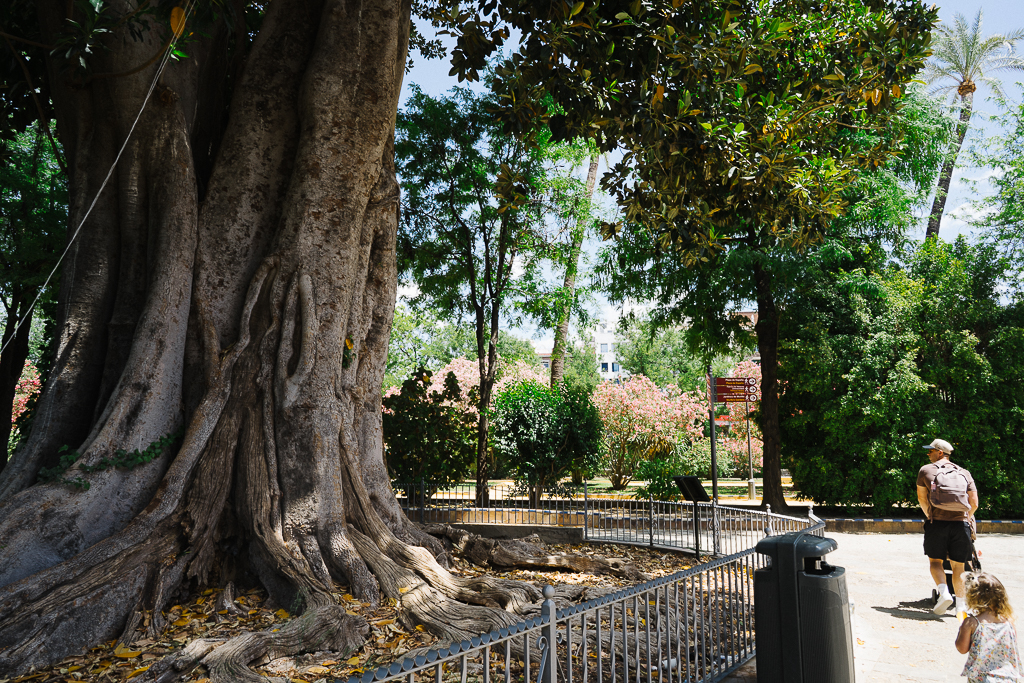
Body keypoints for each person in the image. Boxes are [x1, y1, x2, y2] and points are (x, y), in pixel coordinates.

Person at [917, 438, 978, 617]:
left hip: (937, 523)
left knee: (935, 561)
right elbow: (974, 502)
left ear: (940, 452)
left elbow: (921, 498)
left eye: (931, 451)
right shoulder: (964, 472)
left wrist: (930, 514)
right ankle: (961, 607)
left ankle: (944, 592)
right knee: (959, 566)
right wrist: (966, 516)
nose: (928, 454)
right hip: (961, 524)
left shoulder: (925, 470)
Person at [955, 572, 1022, 682]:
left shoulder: (971, 623)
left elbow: (961, 649)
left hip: (982, 678)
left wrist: (961, 630)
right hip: (1007, 678)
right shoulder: (1009, 622)